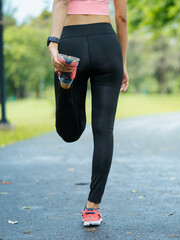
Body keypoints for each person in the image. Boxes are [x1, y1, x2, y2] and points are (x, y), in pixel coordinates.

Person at [47, 0, 129, 227]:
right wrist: (121, 62)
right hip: (107, 44)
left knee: (69, 133)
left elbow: (61, 2)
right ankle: (92, 208)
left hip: (71, 41)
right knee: (104, 130)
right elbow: (121, 18)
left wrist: (54, 43)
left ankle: (66, 85)